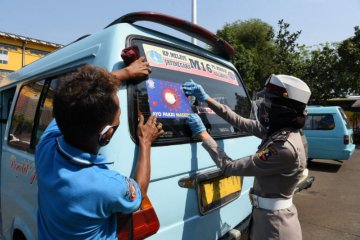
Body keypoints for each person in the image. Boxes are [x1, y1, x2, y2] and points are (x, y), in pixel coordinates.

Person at [35, 57, 164, 240]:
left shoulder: (46, 147)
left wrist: (125, 73)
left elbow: (76, 99)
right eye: (118, 117)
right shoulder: (107, 185)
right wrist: (145, 142)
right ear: (107, 134)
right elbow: (139, 192)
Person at [183, 74, 311, 240]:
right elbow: (238, 121)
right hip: (265, 217)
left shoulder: (284, 147)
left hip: (275, 227)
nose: (264, 106)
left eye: (269, 102)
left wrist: (204, 135)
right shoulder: (279, 131)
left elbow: (230, 167)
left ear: (283, 109)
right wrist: (207, 98)